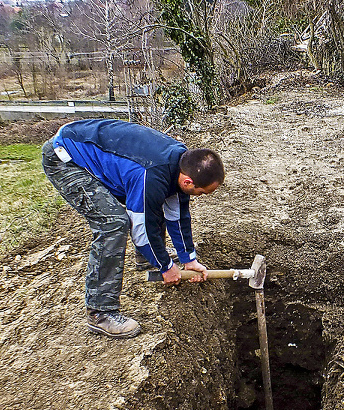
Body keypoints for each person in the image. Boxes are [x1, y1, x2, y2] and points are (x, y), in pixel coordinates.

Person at [42, 118, 224, 339]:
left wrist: (189, 259)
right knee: (113, 222)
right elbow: (141, 230)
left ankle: (146, 260)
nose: (201, 197)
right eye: (202, 193)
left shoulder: (182, 164)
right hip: (66, 157)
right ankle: (100, 312)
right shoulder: (152, 174)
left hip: (94, 148)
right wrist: (166, 266)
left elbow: (178, 215)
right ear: (188, 182)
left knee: (151, 201)